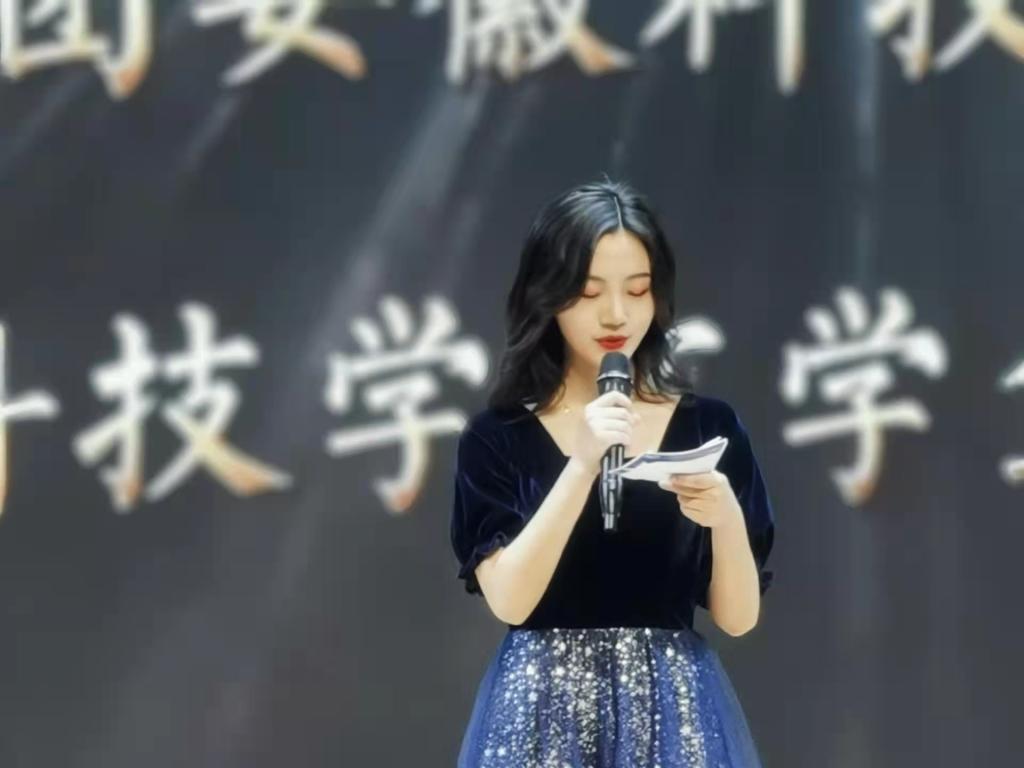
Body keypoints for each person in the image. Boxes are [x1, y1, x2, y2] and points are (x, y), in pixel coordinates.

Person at [451, 179, 775, 767]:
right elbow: (512, 603)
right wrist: (581, 464)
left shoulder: (709, 426)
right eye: (589, 291)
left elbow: (738, 618)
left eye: (638, 289)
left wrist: (726, 515)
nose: (617, 314)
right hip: (541, 715)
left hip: (673, 711)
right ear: (547, 294)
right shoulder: (498, 437)